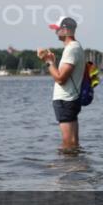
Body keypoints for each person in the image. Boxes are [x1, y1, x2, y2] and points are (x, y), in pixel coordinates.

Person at [37, 16, 84, 153]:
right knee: (73, 142)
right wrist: (53, 62)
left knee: (68, 143)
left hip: (65, 100)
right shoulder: (75, 47)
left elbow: (60, 79)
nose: (55, 32)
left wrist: (48, 61)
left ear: (65, 30)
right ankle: (75, 169)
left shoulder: (71, 49)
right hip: (70, 99)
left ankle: (68, 170)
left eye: (57, 29)